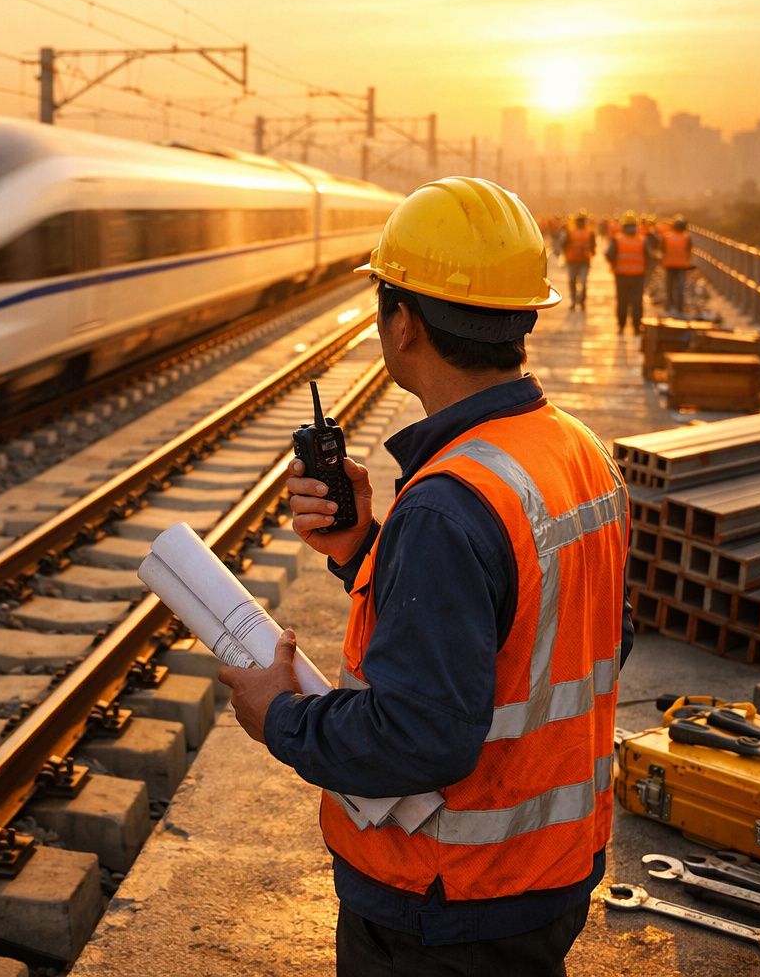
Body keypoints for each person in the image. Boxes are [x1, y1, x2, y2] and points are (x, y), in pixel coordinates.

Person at [218, 176, 631, 977]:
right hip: (551, 871)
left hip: (448, 901)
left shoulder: (450, 504)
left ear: (403, 324)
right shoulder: (578, 452)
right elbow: (556, 633)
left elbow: (419, 739)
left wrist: (280, 718)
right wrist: (363, 548)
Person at [606, 211, 647, 336]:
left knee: (622, 302)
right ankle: (636, 328)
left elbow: (609, 255)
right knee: (637, 303)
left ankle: (621, 327)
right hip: (638, 276)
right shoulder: (642, 240)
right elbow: (649, 257)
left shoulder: (618, 239)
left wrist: (615, 265)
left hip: (622, 276)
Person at [561, 211, 595, 310]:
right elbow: (563, 244)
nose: (581, 223)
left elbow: (593, 247)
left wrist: (588, 252)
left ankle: (582, 301)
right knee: (572, 281)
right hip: (572, 261)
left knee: (583, 282)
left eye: (582, 221)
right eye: (579, 221)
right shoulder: (570, 232)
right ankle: (573, 301)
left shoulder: (590, 233)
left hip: (584, 261)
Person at [661, 215, 694, 316]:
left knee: (669, 288)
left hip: (669, 265)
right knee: (680, 288)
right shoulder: (687, 237)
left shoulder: (666, 236)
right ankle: (679, 308)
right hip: (682, 266)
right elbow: (689, 251)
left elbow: (662, 250)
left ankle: (669, 306)